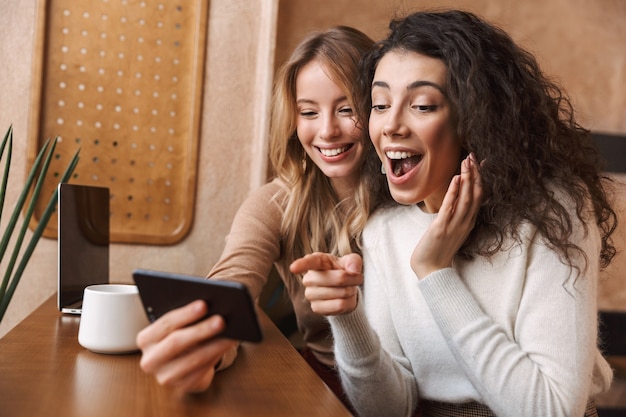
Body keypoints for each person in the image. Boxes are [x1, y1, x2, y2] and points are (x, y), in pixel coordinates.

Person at [291, 10, 618, 417]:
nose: (390, 125)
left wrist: (434, 271)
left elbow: (550, 410)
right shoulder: (385, 231)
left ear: (475, 119)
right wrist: (348, 318)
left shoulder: (553, 215)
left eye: (423, 106)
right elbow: (390, 410)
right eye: (379, 104)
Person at [136, 26, 383, 409]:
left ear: (379, 107)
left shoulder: (414, 191)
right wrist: (210, 350)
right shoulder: (276, 202)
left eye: (347, 107)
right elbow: (230, 287)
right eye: (308, 112)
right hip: (324, 389)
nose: (327, 130)